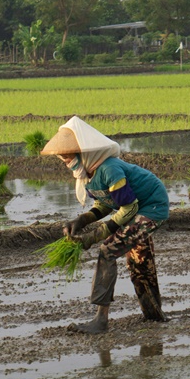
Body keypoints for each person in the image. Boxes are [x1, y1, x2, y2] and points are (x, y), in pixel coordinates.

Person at [41, 116, 171, 333]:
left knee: (108, 249)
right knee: (140, 261)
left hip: (151, 208)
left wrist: (93, 238)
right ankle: (155, 317)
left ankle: (100, 320)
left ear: (83, 152)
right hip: (136, 208)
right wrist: (81, 220)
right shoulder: (89, 174)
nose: (65, 161)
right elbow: (106, 204)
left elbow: (128, 207)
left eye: (68, 156)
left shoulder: (109, 169)